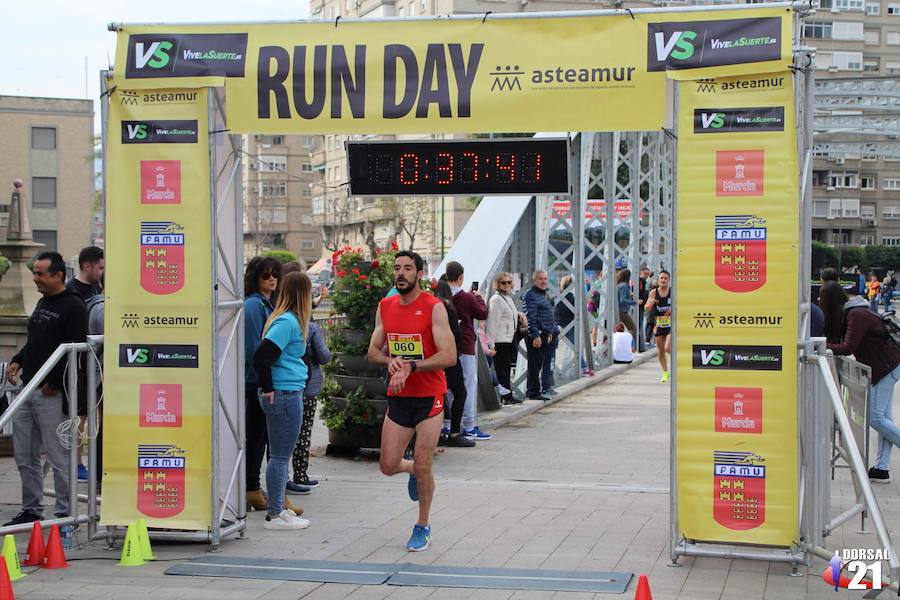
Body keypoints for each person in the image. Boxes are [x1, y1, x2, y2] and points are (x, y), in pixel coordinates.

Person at [367, 251, 457, 551]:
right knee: (388, 465)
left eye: (407, 268)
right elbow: (372, 352)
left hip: (429, 395)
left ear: (420, 273)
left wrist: (413, 365)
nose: (401, 273)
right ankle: (412, 471)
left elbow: (449, 355)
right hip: (399, 396)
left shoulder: (434, 307)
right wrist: (390, 360)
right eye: (397, 268)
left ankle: (423, 525)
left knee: (424, 460)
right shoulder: (386, 306)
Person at [4, 252, 88, 526]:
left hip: (51, 393)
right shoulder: (42, 302)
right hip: (28, 390)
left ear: (57, 276)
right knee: (24, 455)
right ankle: (32, 509)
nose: (35, 278)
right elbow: (37, 340)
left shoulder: (73, 306)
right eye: (35, 272)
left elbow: (75, 350)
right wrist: (18, 359)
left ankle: (65, 514)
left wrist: (54, 381)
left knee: (57, 455)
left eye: (40, 273)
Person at [820, 281, 900, 483]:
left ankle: (882, 467)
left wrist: (820, 345)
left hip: (887, 365)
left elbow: (848, 347)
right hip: (884, 365)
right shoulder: (854, 312)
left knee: (875, 417)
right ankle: (882, 469)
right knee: (884, 418)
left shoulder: (857, 314)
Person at [252, 271, 314, 530]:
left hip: (286, 392)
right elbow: (262, 356)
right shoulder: (288, 322)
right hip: (284, 393)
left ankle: (277, 510)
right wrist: (268, 389)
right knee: (279, 456)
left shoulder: (284, 319)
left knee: (279, 455)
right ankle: (276, 513)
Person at [243, 258, 304, 514]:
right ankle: (257, 491)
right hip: (262, 382)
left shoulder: (269, 306)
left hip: (269, 380)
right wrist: (265, 384)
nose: (272, 279)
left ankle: (271, 495)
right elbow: (256, 350)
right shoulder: (254, 306)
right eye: (266, 275)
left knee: (270, 443)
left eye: (275, 275)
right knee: (260, 439)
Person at [65, 246, 104, 481]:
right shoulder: (72, 292)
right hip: (78, 362)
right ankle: (76, 461)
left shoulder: (97, 288)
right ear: (87, 266)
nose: (101, 272)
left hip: (96, 362)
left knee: (93, 413)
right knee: (79, 414)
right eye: (99, 267)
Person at [445, 261, 492, 441]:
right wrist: (478, 297)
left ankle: (449, 425)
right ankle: (469, 426)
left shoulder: (440, 295)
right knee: (468, 385)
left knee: (449, 387)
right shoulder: (466, 297)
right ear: (461, 277)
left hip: (446, 347)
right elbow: (482, 313)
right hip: (465, 346)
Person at [433, 280, 476, 447]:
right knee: (460, 393)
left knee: (437, 395)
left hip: (433, 359)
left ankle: (436, 433)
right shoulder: (448, 308)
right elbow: (456, 335)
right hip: (449, 358)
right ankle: (455, 433)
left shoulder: (431, 307)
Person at [290, 318, 332, 489]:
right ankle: (300, 474)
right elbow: (324, 357)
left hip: (288, 387)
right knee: (303, 433)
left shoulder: (282, 321)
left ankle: (283, 478)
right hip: (308, 387)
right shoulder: (311, 328)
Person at [487, 272, 526, 404]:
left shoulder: (507, 298)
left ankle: (508, 396)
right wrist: (491, 345)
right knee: (502, 370)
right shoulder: (496, 299)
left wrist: (520, 314)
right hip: (500, 340)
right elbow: (492, 322)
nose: (507, 285)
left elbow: (509, 312)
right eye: (504, 282)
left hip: (508, 338)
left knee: (506, 369)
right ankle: (506, 397)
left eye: (509, 282)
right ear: (498, 284)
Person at [523, 270, 558, 401]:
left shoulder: (544, 295)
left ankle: (536, 391)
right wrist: (535, 335)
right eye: (540, 279)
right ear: (534, 281)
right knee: (534, 365)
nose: (544, 281)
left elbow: (549, 315)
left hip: (545, 335)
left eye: (545, 278)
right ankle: (533, 392)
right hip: (537, 336)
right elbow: (530, 317)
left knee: (539, 364)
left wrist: (549, 333)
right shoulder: (531, 295)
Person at [645, 270, 672, 383]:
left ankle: (673, 362)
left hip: (671, 324)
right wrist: (651, 302)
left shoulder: (672, 292)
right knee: (660, 350)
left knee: (667, 348)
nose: (663, 280)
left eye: (665, 278)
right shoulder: (653, 292)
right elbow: (646, 308)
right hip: (659, 324)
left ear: (669, 280)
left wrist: (670, 310)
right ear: (658, 280)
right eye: (661, 278)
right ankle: (665, 373)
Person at [616, 269, 637, 347]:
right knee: (633, 329)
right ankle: (631, 347)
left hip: (618, 310)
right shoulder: (624, 286)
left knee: (618, 330)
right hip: (623, 311)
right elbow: (623, 300)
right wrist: (634, 302)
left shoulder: (618, 285)